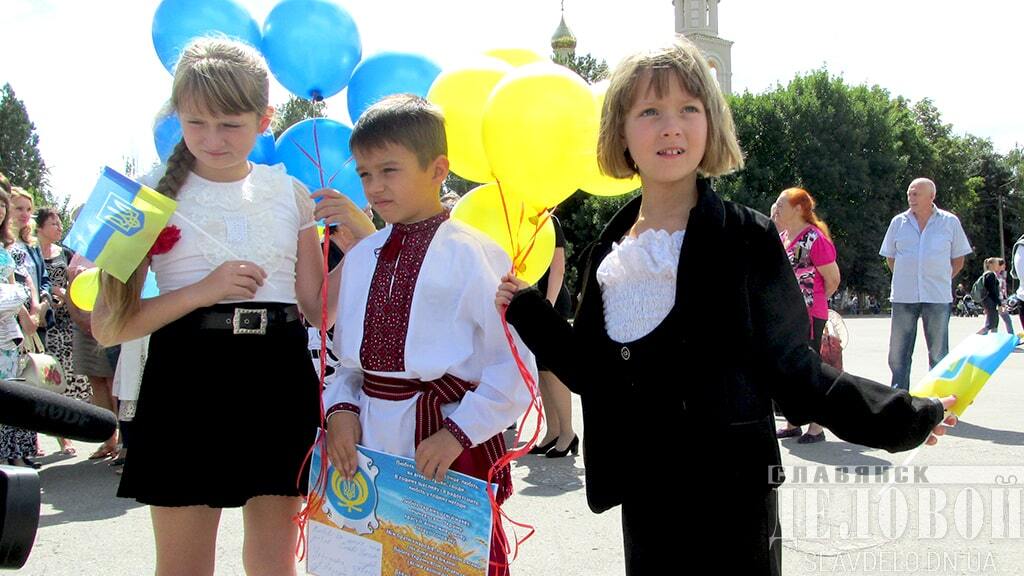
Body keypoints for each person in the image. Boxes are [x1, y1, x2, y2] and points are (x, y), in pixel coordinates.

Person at [494, 37, 955, 575]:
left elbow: (796, 371)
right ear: (620, 131)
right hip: (647, 504)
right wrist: (527, 309)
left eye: (689, 108)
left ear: (710, 123)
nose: (672, 126)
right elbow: (591, 371)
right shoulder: (612, 248)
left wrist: (901, 415)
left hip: (733, 504)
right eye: (650, 111)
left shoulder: (747, 238)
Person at [91, 38, 343, 576]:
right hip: (184, 380)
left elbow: (317, 307)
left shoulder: (292, 192)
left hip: (277, 375)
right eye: (196, 122)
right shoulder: (138, 195)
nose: (213, 139)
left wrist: (371, 242)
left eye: (230, 124)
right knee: (183, 567)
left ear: (264, 118)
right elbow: (110, 326)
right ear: (177, 115)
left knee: (275, 563)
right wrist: (204, 290)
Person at [320, 94, 534, 576]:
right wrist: (340, 413)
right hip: (369, 445)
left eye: (389, 170)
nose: (374, 187)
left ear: (438, 169)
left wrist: (458, 434)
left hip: (441, 444)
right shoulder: (360, 256)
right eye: (365, 174)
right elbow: (341, 360)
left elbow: (513, 365)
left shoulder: (474, 254)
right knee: (366, 560)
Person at [880, 177, 972, 390]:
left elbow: (958, 260)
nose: (911, 198)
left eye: (916, 194)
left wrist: (938, 277)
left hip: (937, 295)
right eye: (909, 194)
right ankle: (899, 396)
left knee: (939, 352)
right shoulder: (898, 222)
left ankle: (938, 398)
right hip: (904, 295)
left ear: (931, 196)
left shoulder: (949, 222)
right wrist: (909, 276)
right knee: (898, 353)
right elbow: (890, 258)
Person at [772, 188, 840, 444]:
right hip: (785, 315)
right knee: (789, 370)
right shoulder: (784, 236)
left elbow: (832, 279)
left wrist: (814, 300)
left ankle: (816, 426)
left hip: (809, 315)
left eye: (781, 204)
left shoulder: (814, 239)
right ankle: (792, 422)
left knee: (809, 369)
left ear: (798, 208)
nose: (776, 208)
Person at [35, 207, 92, 456]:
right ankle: (45, 437)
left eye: (60, 223)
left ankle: (66, 435)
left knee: (67, 382)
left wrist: (65, 291)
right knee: (44, 380)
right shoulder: (30, 251)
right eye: (53, 224)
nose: (59, 228)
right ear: (40, 228)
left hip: (67, 324)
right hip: (44, 325)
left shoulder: (66, 253)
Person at [528, 213, 578, 457]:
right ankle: (553, 431)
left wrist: (546, 306)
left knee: (554, 371)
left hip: (553, 302)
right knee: (541, 373)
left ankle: (568, 432)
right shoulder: (522, 222)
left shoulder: (551, 222)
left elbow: (557, 269)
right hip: (535, 302)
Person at [0, 184, 38, 468]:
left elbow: (14, 288)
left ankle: (14, 456)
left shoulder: (5, 250)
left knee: (13, 391)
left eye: (2, 205)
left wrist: (25, 318)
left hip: (7, 332)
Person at [975, 257, 1002, 335]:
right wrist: (999, 303)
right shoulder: (990, 275)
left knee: (993, 321)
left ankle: (994, 337)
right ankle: (979, 335)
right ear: (991, 264)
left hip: (987, 300)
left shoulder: (987, 274)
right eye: (996, 263)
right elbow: (992, 291)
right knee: (992, 322)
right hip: (990, 301)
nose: (998, 265)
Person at [994, 258, 1015, 333]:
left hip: (1002, 300)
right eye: (1003, 265)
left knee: (1005, 320)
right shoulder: (995, 275)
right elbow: (999, 289)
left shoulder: (1002, 275)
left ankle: (1011, 335)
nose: (1005, 266)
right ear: (999, 265)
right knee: (996, 321)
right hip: (998, 301)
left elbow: (1004, 289)